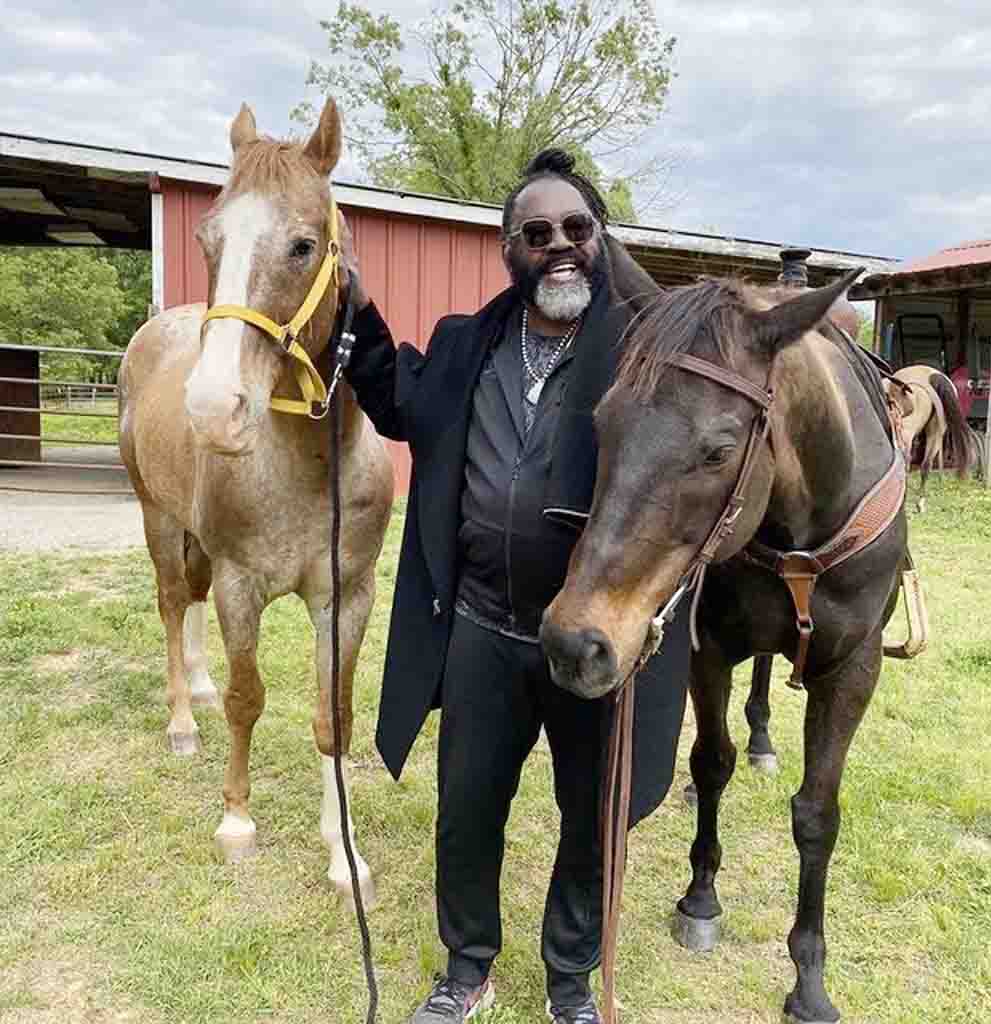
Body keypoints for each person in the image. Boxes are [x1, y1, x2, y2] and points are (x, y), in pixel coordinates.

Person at [341, 149, 690, 1024]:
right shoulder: (470, 341)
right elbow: (397, 399)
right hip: (481, 628)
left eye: (577, 228)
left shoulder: (649, 356)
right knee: (465, 813)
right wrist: (346, 300)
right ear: (509, 249)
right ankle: (467, 971)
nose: (560, 245)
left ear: (602, 239)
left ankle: (570, 983)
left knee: (589, 820)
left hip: (593, 637)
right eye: (537, 233)